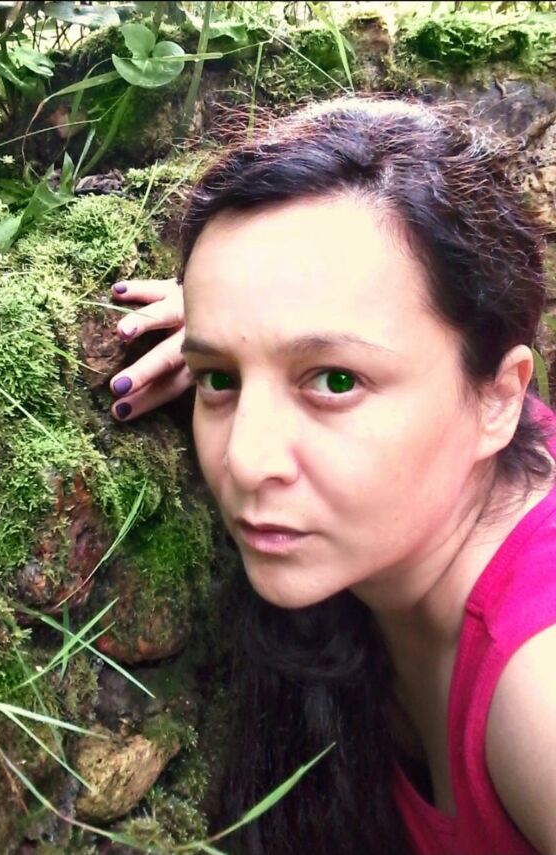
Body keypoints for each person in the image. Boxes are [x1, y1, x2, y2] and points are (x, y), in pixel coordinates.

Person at [107, 97, 556, 855]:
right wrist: (249, 332)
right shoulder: (467, 439)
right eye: (219, 379)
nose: (247, 459)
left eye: (337, 381)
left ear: (498, 399)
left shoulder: (540, 692)